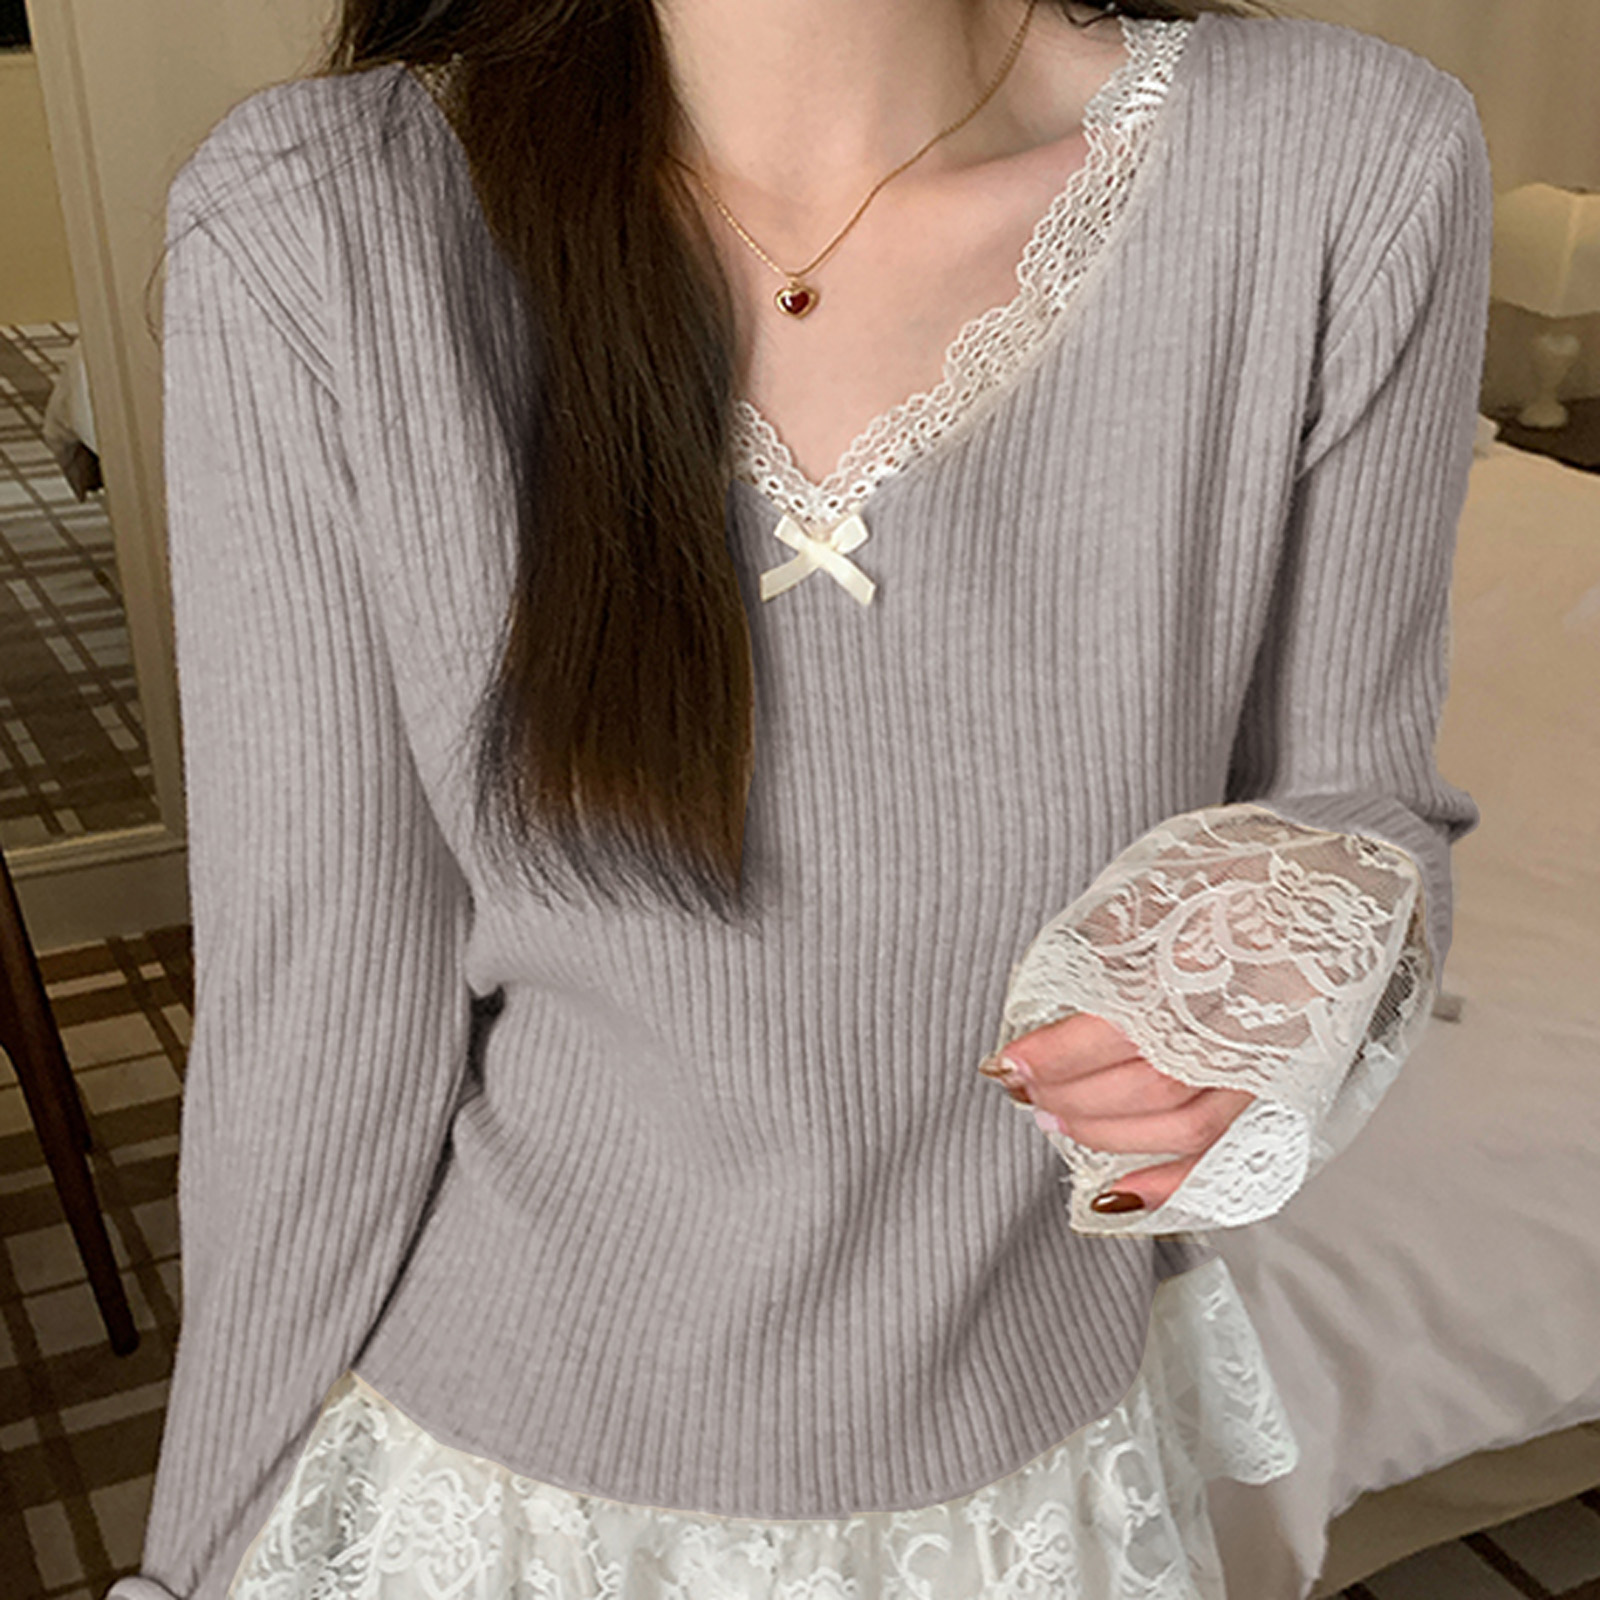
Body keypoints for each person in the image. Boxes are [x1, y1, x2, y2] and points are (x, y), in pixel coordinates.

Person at [113, 0, 1491, 1594]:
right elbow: (318, 1016)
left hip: (1028, 1477)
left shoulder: (1346, 159)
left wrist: (1290, 958)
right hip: (491, 1487)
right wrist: (189, 1566)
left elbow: (1358, 807)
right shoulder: (321, 218)